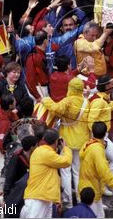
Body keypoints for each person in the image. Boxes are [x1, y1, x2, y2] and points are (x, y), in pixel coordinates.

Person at [41, 77, 91, 208]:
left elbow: (56, 109)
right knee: (78, 170)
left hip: (66, 140)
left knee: (65, 171)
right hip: (82, 140)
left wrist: (46, 100)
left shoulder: (68, 100)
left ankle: (68, 201)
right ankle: (80, 199)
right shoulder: (86, 102)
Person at [78, 122, 113, 218]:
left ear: (92, 132)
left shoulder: (87, 143)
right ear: (105, 134)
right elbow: (104, 172)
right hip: (91, 192)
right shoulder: (97, 150)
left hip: (88, 188)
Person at [21, 129, 72, 218]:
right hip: (38, 199)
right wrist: (66, 148)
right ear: (56, 142)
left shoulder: (40, 151)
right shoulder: (46, 154)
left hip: (44, 198)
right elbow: (67, 161)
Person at [3, 135, 38, 218]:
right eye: (36, 146)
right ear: (32, 147)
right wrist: (6, 198)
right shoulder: (16, 159)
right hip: (16, 195)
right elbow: (9, 178)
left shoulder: (33, 158)